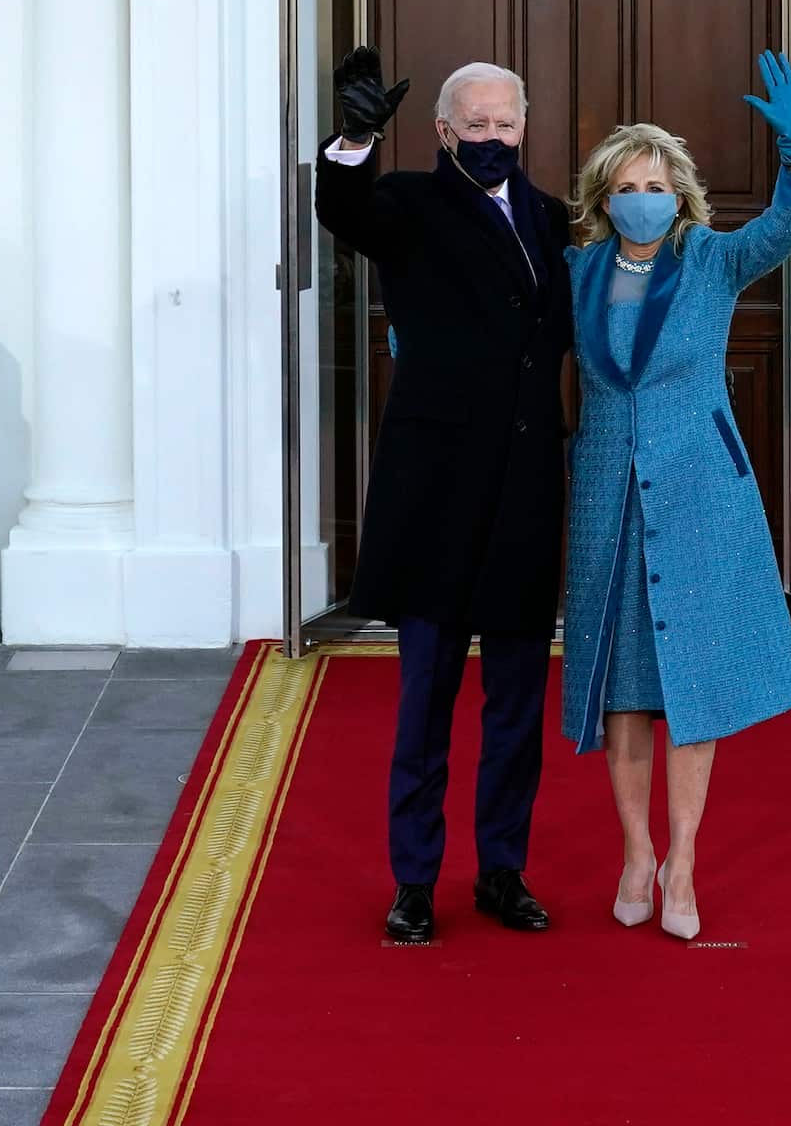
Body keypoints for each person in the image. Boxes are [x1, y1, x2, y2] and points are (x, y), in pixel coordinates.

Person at [561, 52, 791, 940]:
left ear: (680, 196)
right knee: (627, 690)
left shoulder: (711, 258)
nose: (645, 196)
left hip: (703, 494)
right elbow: (504, 322)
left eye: (659, 183)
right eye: (629, 183)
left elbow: (785, 230)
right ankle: (636, 852)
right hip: (608, 496)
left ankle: (686, 863)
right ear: (606, 196)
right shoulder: (580, 271)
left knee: (694, 688)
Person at [315, 48, 572, 943]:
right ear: (443, 131)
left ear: (524, 126)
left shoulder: (552, 219)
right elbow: (341, 209)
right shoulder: (409, 206)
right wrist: (352, 139)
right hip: (436, 504)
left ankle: (502, 870)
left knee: (516, 708)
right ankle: (415, 883)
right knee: (424, 705)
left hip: (526, 504)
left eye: (506, 123)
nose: (493, 137)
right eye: (476, 125)